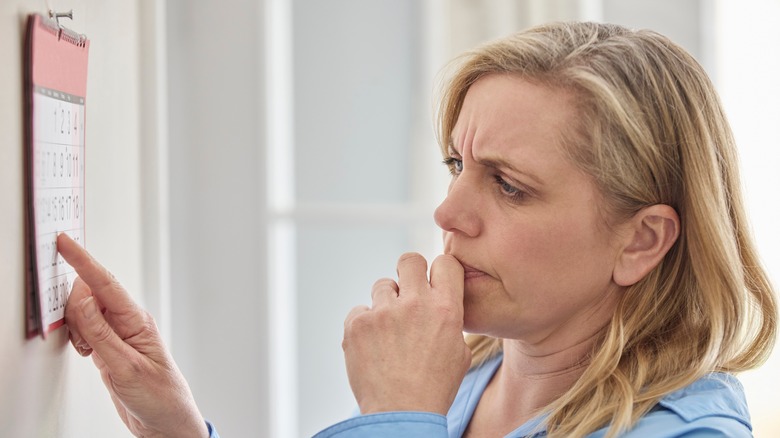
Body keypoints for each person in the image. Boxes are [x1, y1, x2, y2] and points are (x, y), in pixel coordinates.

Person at [60, 21, 776, 437]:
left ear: (641, 240)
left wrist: (400, 416)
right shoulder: (471, 376)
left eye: (508, 185)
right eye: (457, 163)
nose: (447, 214)